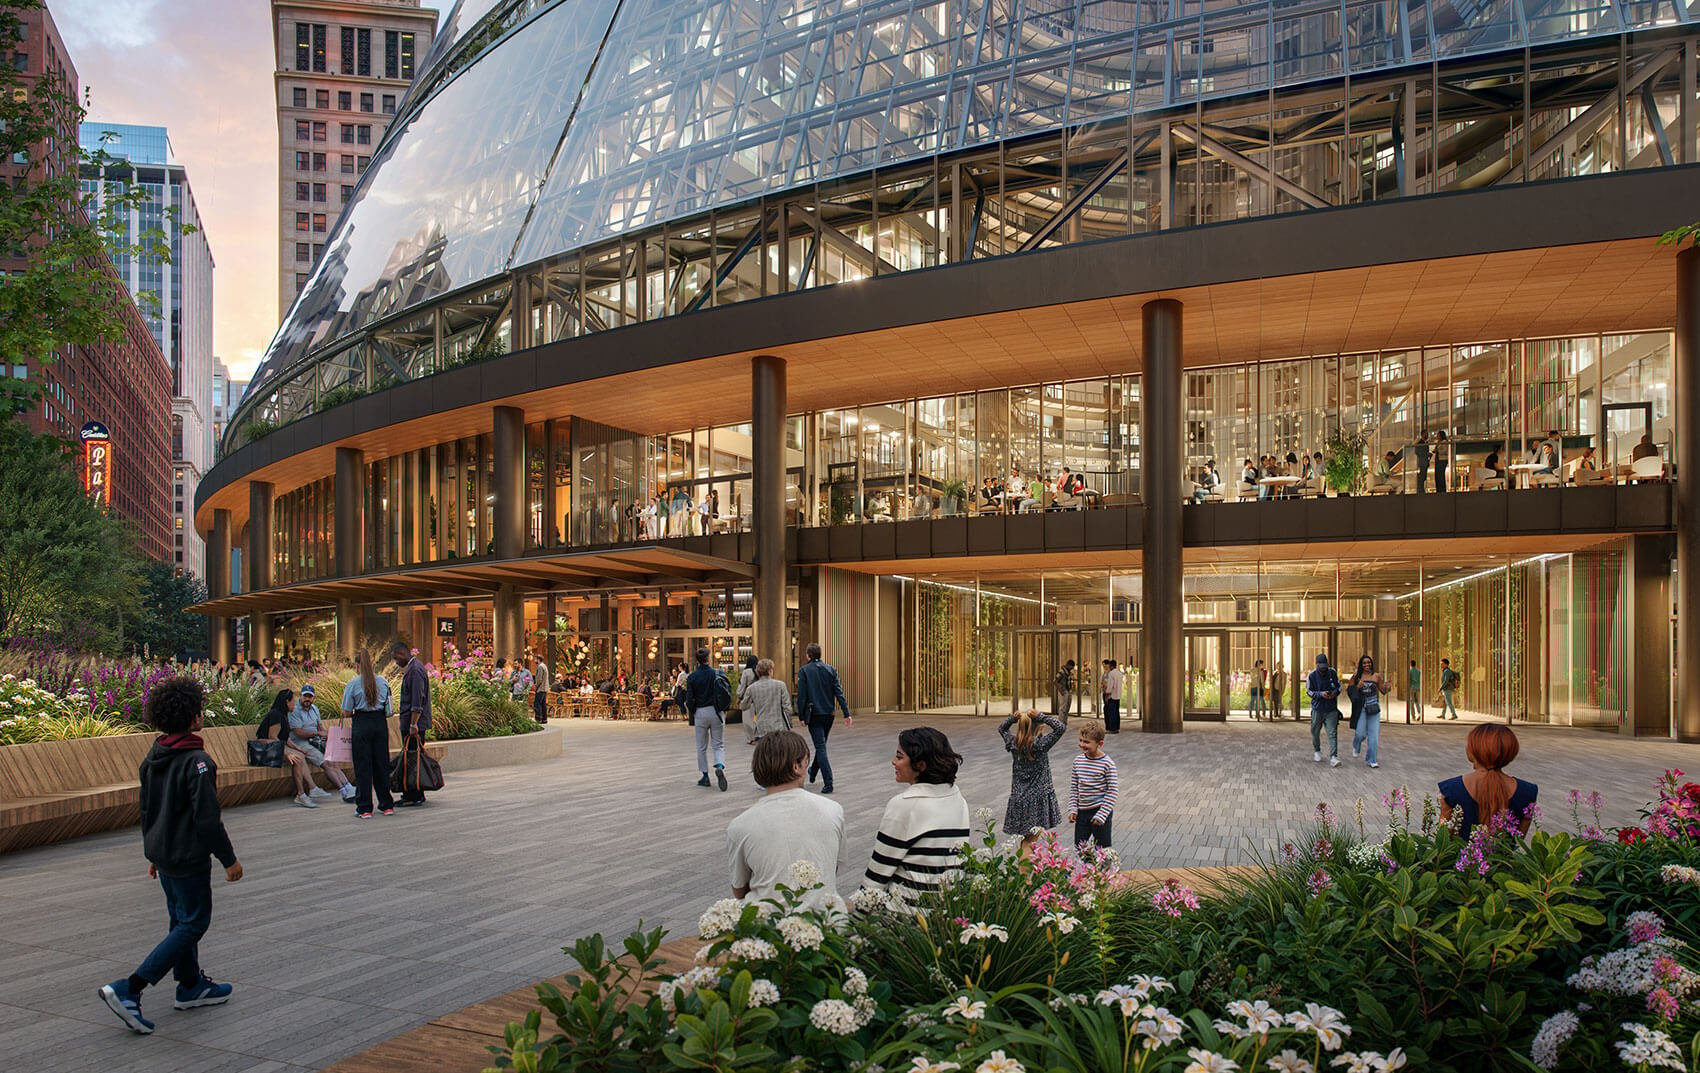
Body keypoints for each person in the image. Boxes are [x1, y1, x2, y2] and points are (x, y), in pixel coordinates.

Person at [100, 676, 242, 1035]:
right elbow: (207, 821)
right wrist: (229, 860)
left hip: (164, 856)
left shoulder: (153, 758)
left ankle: (190, 984)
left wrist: (153, 851)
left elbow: (147, 810)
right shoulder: (198, 762)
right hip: (188, 858)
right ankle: (130, 988)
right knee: (194, 922)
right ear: (195, 718)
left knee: (180, 920)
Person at [728, 731, 848, 912]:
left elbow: (739, 890)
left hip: (767, 927)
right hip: (826, 922)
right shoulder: (833, 810)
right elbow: (831, 868)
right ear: (797, 766)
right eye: (806, 761)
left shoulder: (739, 826)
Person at [862, 727, 969, 904]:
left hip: (905, 915)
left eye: (899, 756)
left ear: (920, 765)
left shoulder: (904, 804)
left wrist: (855, 920)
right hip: (948, 911)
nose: (893, 762)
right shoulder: (958, 799)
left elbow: (877, 876)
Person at [1439, 725, 1539, 838]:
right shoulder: (1528, 792)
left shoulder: (1451, 790)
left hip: (1462, 855)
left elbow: (1444, 839)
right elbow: (1518, 839)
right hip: (1505, 856)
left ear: (1473, 750)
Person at [998, 710, 1066, 853]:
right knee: (1030, 841)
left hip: (1019, 798)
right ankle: (1024, 874)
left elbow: (1001, 729)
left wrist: (1012, 719)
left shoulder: (1013, 743)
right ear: (1040, 728)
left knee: (1027, 839)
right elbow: (1060, 727)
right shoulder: (1040, 745)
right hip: (1036, 799)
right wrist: (1041, 716)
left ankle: (1026, 871)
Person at [341, 649, 395, 818]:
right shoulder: (383, 682)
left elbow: (346, 711)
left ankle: (364, 808)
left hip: (361, 723)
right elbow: (389, 711)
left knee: (363, 766)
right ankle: (386, 804)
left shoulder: (353, 684)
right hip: (379, 723)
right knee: (381, 764)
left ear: (357, 666)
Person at [797, 642, 852, 795]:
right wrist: (846, 713)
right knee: (821, 745)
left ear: (808, 655)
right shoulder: (830, 669)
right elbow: (838, 692)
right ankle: (813, 771)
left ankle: (829, 783)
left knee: (820, 747)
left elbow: (802, 696)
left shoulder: (804, 671)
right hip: (829, 714)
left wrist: (801, 715)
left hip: (814, 714)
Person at [286, 683, 355, 804]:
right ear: (301, 696)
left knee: (332, 760)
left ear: (313, 697)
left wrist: (326, 735)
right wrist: (318, 734)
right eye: (305, 696)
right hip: (300, 743)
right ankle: (343, 790)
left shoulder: (315, 709)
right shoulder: (295, 710)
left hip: (316, 740)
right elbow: (297, 732)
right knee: (326, 763)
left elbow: (320, 727)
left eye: (310, 696)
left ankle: (348, 786)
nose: (307, 699)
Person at [1067, 720, 1118, 850]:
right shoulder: (1078, 761)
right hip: (1082, 812)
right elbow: (1074, 789)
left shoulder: (1107, 764)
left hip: (1100, 811)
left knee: (1103, 850)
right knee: (1080, 848)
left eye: (1086, 742)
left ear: (1099, 744)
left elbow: (1112, 792)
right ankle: (1086, 870)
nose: (1082, 745)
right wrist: (1073, 808)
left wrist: (1102, 815)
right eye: (1081, 740)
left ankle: (1104, 870)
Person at [686, 646, 730, 791]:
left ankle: (705, 775)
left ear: (697, 661)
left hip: (700, 712)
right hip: (716, 711)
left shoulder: (692, 677)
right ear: (708, 658)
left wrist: (693, 712)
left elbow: (689, 699)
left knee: (701, 746)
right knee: (718, 744)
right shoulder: (716, 673)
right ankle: (719, 765)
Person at [394, 642, 432, 807]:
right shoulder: (413, 668)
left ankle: (414, 793)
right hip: (412, 722)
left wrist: (413, 724)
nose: (396, 662)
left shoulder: (415, 670)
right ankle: (413, 792)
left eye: (396, 658)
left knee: (412, 758)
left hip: (414, 723)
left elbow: (417, 698)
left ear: (402, 654)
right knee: (412, 757)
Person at [741, 658, 794, 744]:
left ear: (758, 672)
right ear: (770, 671)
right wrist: (789, 723)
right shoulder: (780, 685)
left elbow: (743, 706)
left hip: (762, 727)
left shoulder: (751, 688)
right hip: (779, 726)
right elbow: (787, 707)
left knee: (766, 753)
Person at [1348, 655, 1388, 769]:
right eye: (1364, 663)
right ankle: (1356, 745)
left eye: (1369, 663)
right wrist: (1358, 687)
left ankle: (1372, 759)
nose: (1367, 665)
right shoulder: (1356, 677)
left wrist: (1387, 687)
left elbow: (1383, 691)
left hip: (1374, 708)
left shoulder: (1376, 676)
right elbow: (1350, 692)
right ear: (1361, 665)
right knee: (1360, 733)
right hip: (1362, 708)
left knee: (1374, 736)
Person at [1307, 653, 1343, 767]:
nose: (1323, 669)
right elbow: (1309, 691)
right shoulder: (1312, 675)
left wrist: (1334, 693)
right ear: (1316, 664)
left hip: (1331, 708)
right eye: (1321, 666)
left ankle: (1334, 756)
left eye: (1325, 666)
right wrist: (1320, 694)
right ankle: (1317, 750)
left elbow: (1339, 686)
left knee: (1332, 732)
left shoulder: (1332, 672)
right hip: (1318, 708)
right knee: (1315, 731)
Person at [1100, 658, 1124, 733]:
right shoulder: (1119, 673)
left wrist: (1107, 695)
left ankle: (1112, 728)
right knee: (1116, 712)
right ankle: (1117, 727)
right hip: (1118, 695)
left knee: (1111, 713)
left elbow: (1110, 686)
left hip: (1112, 696)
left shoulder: (1111, 674)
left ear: (1111, 665)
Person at [531, 653, 550, 723]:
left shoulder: (540, 667)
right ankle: (544, 719)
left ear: (538, 659)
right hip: (544, 688)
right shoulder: (544, 666)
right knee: (543, 704)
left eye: (535, 659)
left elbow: (539, 679)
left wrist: (535, 687)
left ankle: (538, 718)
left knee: (537, 703)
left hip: (540, 688)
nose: (534, 661)